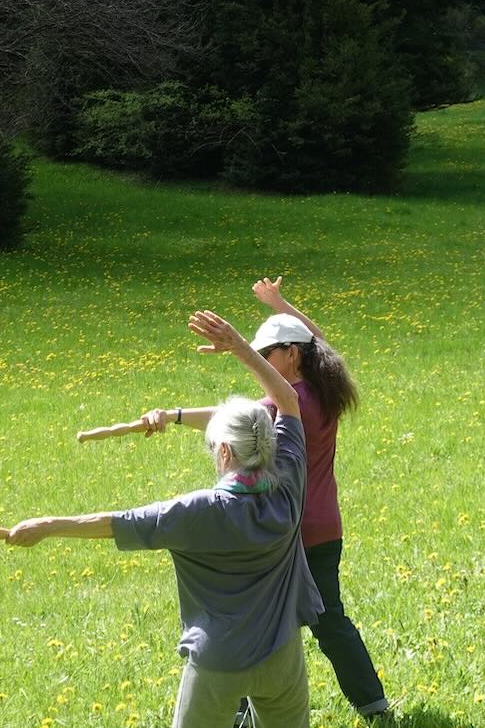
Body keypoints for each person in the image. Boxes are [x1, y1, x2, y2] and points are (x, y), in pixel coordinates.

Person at [6, 311, 323, 728]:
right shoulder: (289, 482)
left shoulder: (197, 512)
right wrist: (241, 349)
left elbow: (115, 522)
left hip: (218, 663)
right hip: (282, 657)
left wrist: (46, 525)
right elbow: (288, 400)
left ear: (225, 453)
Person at [140, 279, 390, 721]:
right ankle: (373, 705)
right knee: (328, 621)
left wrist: (177, 413)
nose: (261, 361)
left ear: (291, 354)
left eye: (267, 354)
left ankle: (238, 711)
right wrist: (280, 305)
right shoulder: (324, 387)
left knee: (251, 616)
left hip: (286, 529)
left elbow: (233, 422)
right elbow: (321, 342)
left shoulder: (294, 401)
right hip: (323, 527)